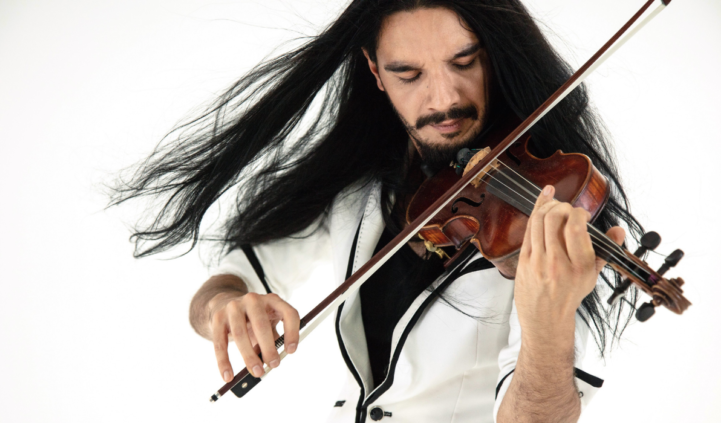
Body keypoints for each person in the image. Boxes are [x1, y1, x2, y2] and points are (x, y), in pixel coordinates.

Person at [111, 1, 644, 421]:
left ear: (495, 55)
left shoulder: (560, 211)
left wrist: (549, 320)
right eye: (408, 74)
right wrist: (224, 307)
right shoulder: (360, 185)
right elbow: (235, 274)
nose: (443, 99)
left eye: (464, 62)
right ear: (376, 72)